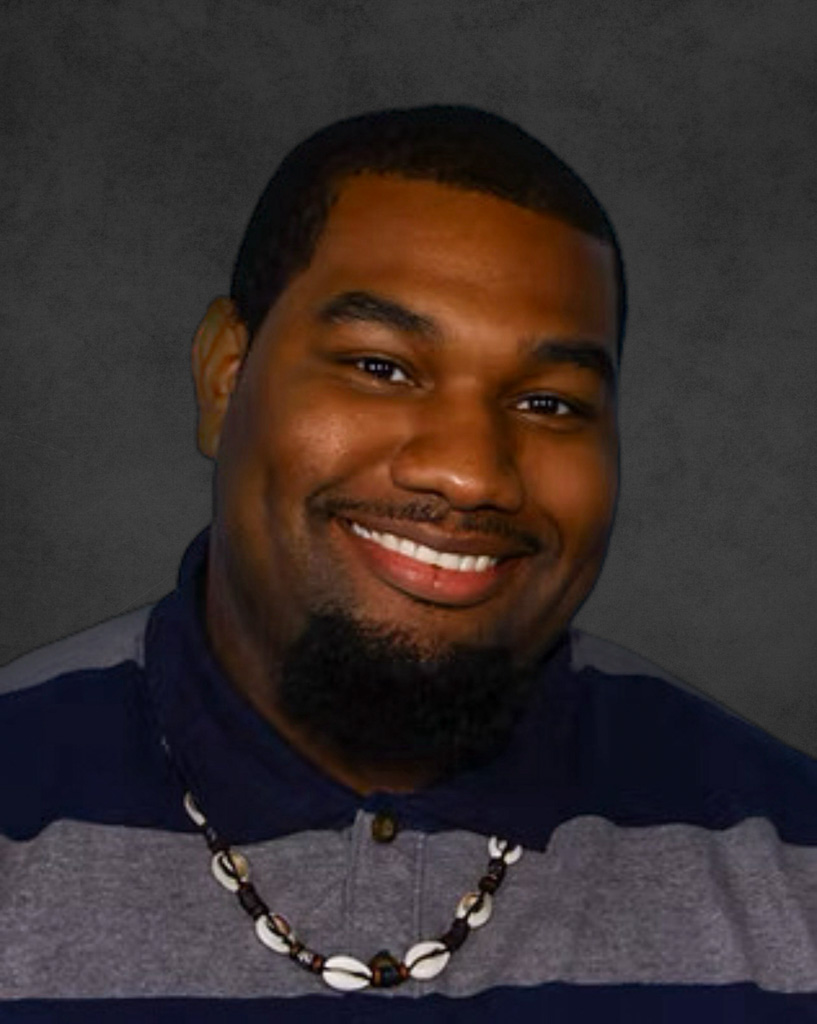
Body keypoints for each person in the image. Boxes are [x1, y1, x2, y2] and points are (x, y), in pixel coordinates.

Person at [1, 105, 816, 1022]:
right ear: (226, 378)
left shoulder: (793, 868)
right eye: (381, 368)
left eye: (548, 403)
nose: (469, 473)